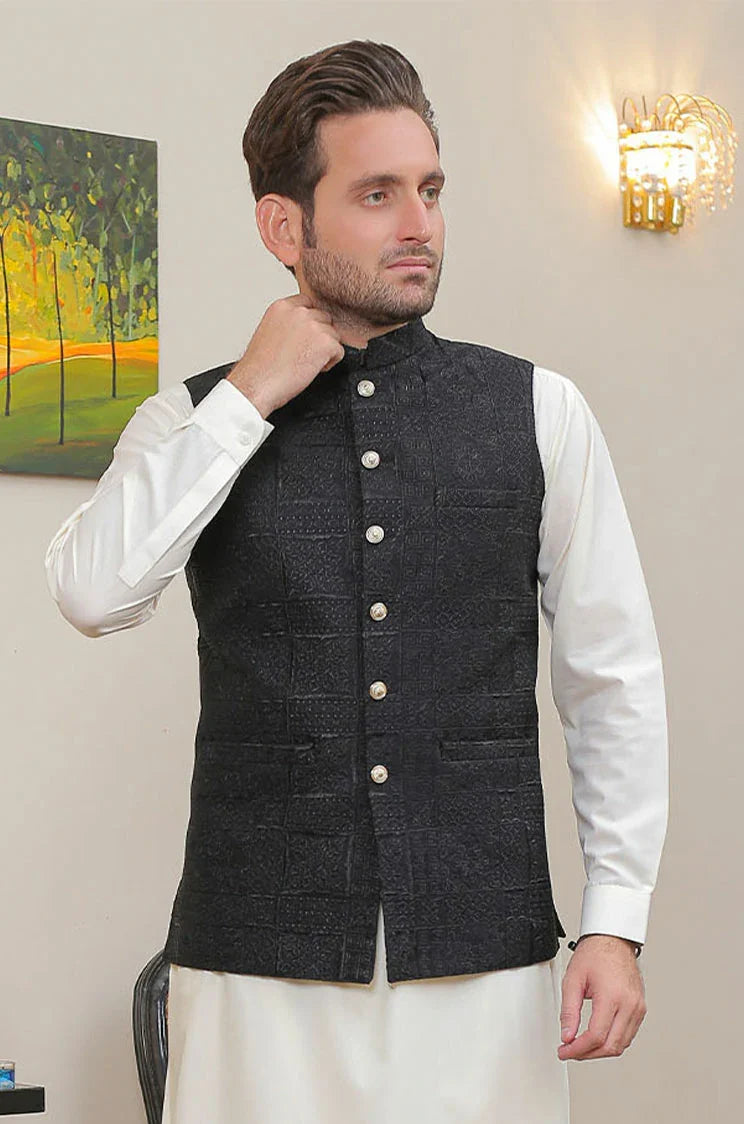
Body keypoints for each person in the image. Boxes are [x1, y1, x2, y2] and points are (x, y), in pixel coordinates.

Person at [45, 38, 668, 1124]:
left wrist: (616, 921)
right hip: (253, 969)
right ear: (284, 226)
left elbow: (612, 680)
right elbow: (95, 593)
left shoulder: (540, 411)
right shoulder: (192, 419)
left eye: (430, 189)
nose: (418, 223)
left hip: (484, 964)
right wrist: (249, 396)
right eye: (377, 194)